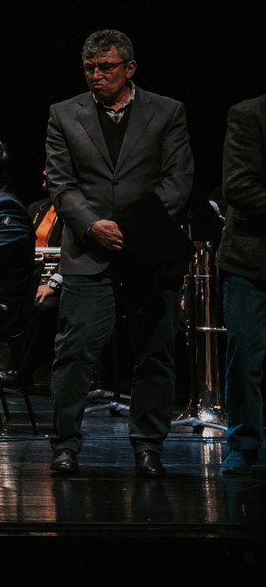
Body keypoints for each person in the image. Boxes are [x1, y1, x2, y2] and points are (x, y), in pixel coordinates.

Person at [41, 28, 195, 476]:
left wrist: (129, 229)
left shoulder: (167, 111)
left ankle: (148, 446)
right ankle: (65, 445)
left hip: (147, 253)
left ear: (130, 68)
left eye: (106, 67)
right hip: (89, 250)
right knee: (74, 352)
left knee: (154, 353)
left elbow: (177, 180)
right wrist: (92, 225)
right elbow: (61, 183)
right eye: (89, 68)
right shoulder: (63, 114)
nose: (96, 75)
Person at [218, 93, 264, 478]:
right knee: (246, 356)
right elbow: (238, 186)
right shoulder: (249, 114)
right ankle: (244, 443)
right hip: (252, 260)